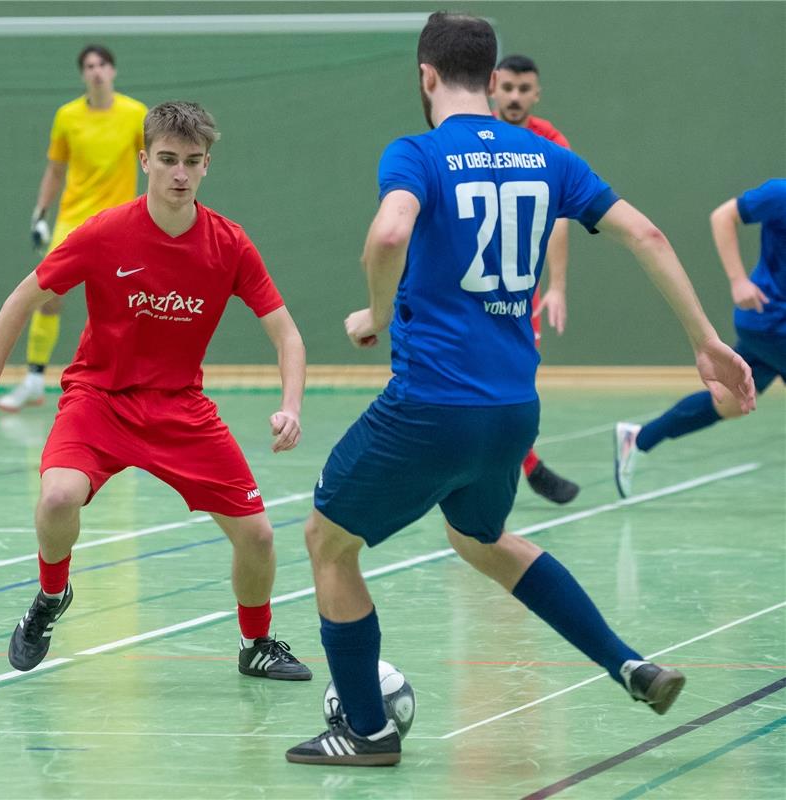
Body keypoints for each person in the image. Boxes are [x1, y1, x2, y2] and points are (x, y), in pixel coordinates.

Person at [285, 12, 755, 766]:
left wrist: (373, 314)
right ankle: (625, 662)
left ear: (426, 77)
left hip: (429, 404)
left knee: (326, 541)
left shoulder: (417, 152)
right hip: (510, 411)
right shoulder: (545, 155)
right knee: (480, 539)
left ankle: (366, 731)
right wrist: (704, 339)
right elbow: (649, 236)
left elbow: (387, 234)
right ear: (489, 74)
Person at [0, 101, 312, 682]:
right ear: (144, 159)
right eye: (168, 159)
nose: (180, 173)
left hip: (180, 407)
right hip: (99, 399)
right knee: (56, 499)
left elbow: (287, 334)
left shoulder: (229, 244)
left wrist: (292, 405)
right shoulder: (104, 233)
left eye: (192, 162)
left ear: (207, 166)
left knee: (257, 536)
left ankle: (256, 642)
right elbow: (18, 302)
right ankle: (52, 595)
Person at [0, 45, 147, 412]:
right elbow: (55, 169)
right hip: (72, 220)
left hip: (119, 223)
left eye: (102, 65)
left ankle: (127, 382)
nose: (96, 71)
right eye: (89, 66)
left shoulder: (135, 114)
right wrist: (39, 213)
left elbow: (152, 164)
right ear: (83, 75)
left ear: (113, 71)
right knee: (48, 295)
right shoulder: (67, 116)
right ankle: (34, 379)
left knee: (126, 302)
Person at [615, 178, 784, 497]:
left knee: (730, 403)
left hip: (767, 331)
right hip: (770, 320)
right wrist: (738, 281)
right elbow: (723, 216)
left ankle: (638, 438)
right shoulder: (780, 194)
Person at [491, 54, 578, 504]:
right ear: (492, 87)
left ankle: (523, 464)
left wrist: (557, 285)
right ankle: (525, 467)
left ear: (536, 94)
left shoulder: (550, 142)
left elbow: (561, 217)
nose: (514, 97)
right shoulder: (472, 134)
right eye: (507, 87)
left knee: (518, 378)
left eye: (524, 89)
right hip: (470, 281)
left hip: (522, 286)